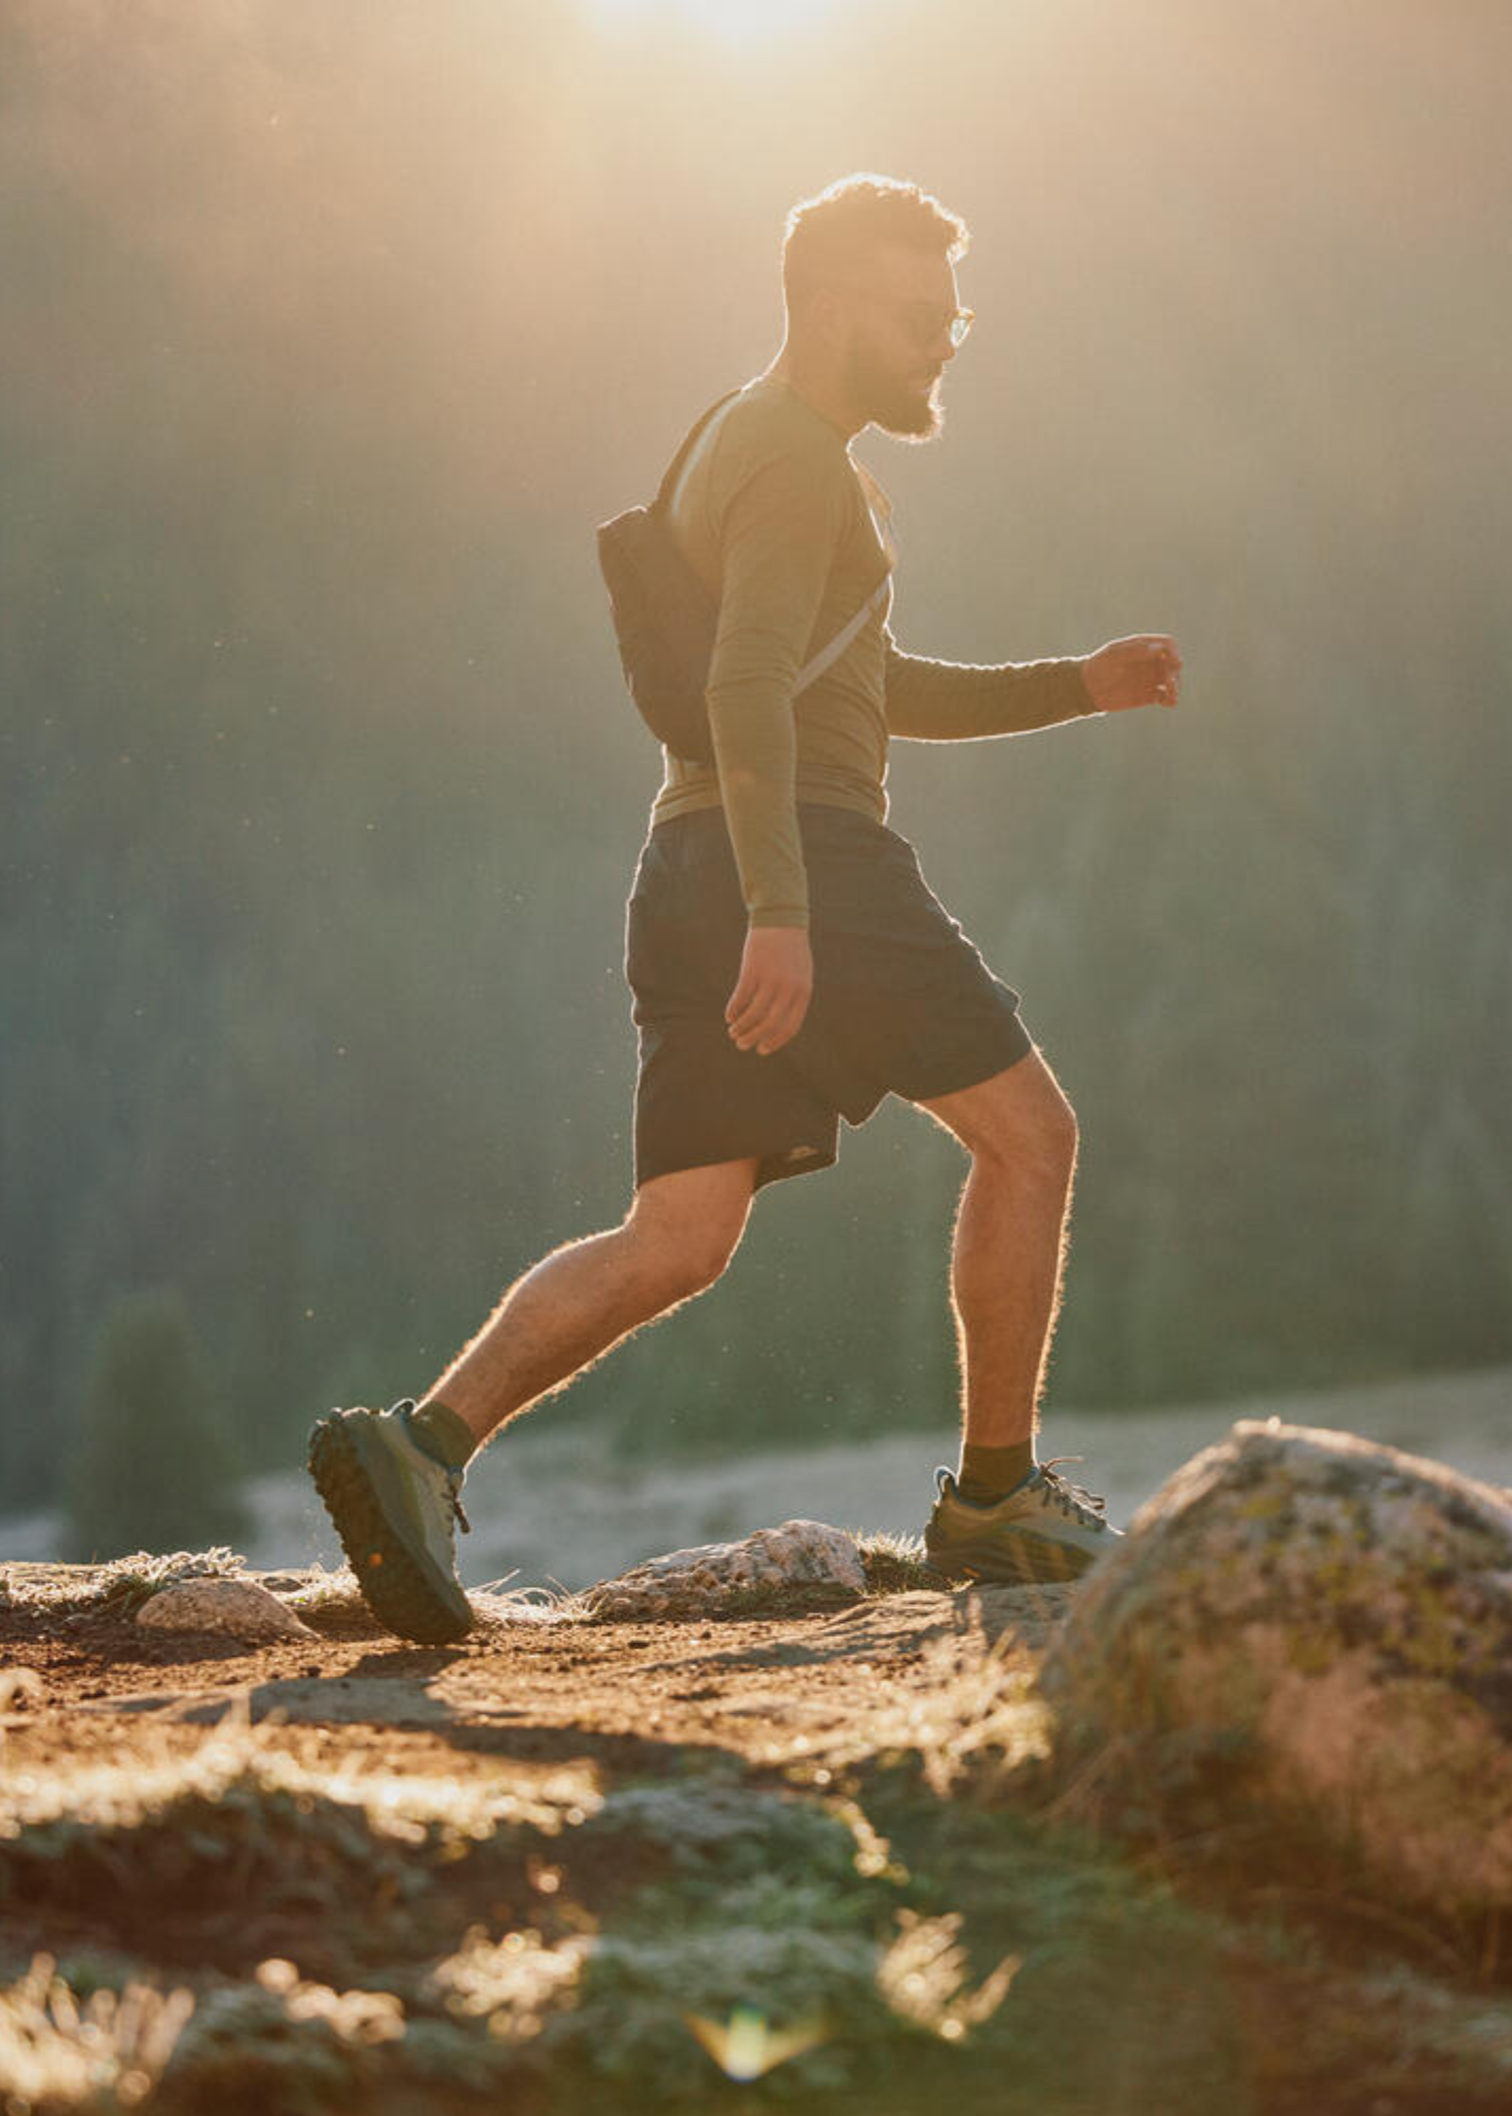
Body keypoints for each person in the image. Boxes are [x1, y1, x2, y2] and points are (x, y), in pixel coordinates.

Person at [307, 172, 1183, 1645]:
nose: (944, 342)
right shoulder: (793, 457)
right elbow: (744, 688)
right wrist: (787, 907)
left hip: (694, 869)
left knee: (678, 1237)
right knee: (1032, 1137)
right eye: (921, 315)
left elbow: (858, 686)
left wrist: (1071, 689)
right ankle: (996, 1500)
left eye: (954, 315)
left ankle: (421, 1445)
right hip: (807, 866)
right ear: (836, 306)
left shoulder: (744, 437)